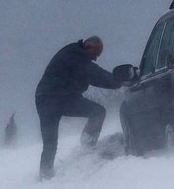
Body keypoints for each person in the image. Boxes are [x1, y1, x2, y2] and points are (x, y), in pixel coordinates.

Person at [35, 35, 121, 179]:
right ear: (88, 47)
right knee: (50, 141)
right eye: (95, 55)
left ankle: (47, 173)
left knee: (97, 112)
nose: (95, 59)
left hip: (58, 98)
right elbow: (95, 74)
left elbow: (92, 73)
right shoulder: (75, 56)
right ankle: (48, 174)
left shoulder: (76, 55)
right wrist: (119, 81)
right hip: (50, 100)